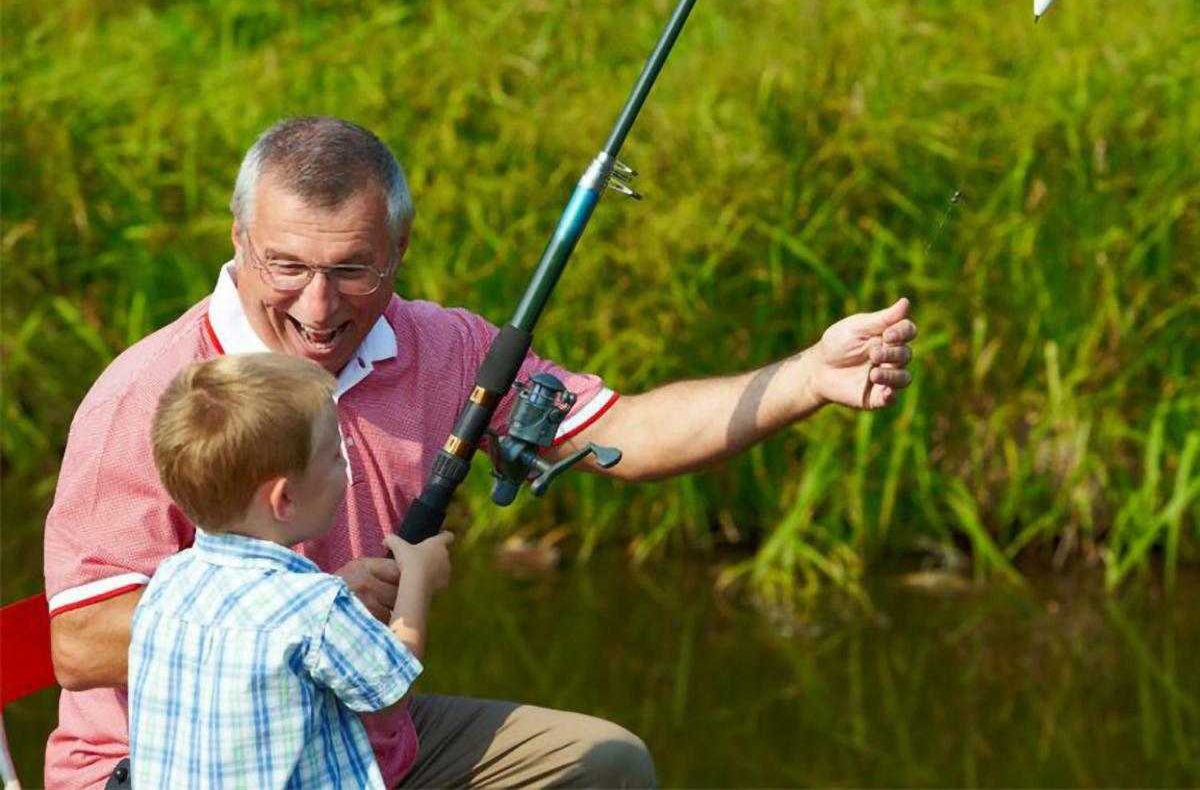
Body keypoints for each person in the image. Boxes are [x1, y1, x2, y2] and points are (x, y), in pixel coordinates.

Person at [45, 116, 917, 789]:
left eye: (354, 269)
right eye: (286, 266)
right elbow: (78, 644)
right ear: (239, 240)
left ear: (400, 250)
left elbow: (628, 433)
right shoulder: (152, 389)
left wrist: (810, 377)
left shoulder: (446, 348)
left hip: (363, 742)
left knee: (605, 764)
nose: (318, 306)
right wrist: (320, 609)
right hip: (170, 763)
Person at [129, 352, 453, 788]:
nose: (345, 465)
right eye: (335, 456)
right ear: (284, 500)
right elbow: (389, 699)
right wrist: (418, 579)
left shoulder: (167, 583)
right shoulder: (317, 607)